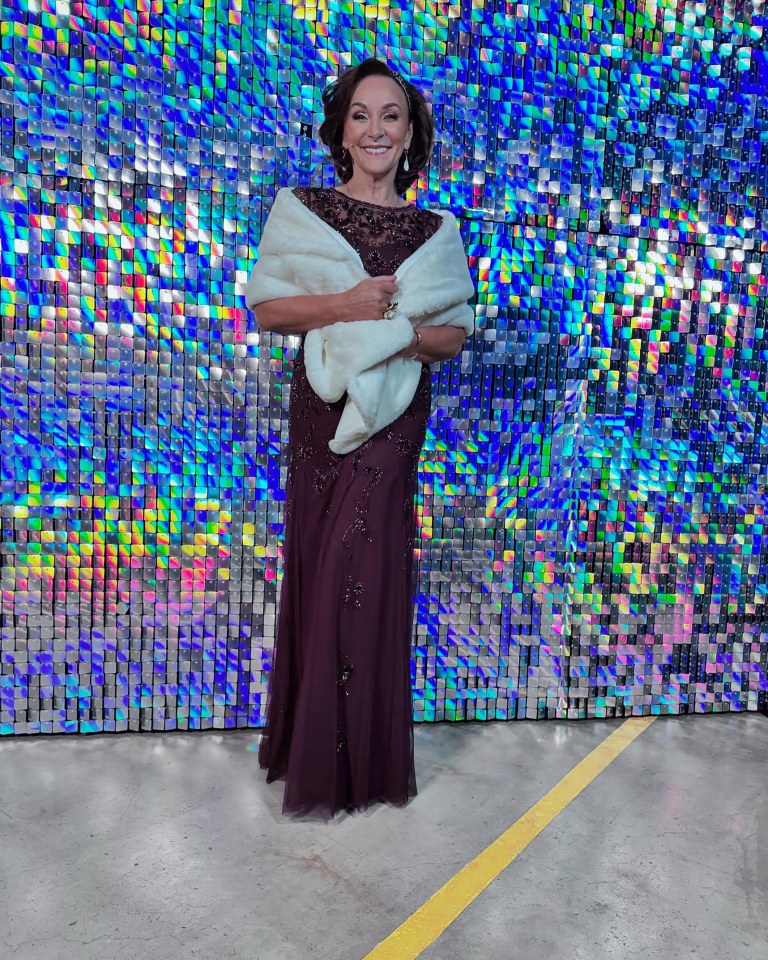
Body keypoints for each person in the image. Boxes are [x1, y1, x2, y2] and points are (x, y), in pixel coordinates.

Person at [245, 57, 475, 817]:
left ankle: (363, 761)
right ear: (341, 129)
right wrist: (347, 304)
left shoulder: (435, 232)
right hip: (319, 410)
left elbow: (451, 337)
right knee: (323, 560)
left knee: (365, 563)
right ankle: (313, 751)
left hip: (396, 419)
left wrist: (396, 332)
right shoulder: (303, 211)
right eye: (362, 115)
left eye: (391, 117)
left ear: (411, 136)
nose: (376, 129)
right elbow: (270, 312)